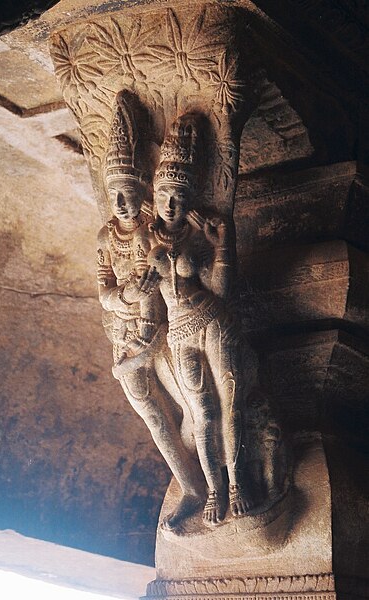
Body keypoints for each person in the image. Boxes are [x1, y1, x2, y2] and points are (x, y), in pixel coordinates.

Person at [97, 92, 205, 530]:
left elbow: (152, 301)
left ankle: (198, 479)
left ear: (143, 188)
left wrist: (137, 346)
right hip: (120, 337)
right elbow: (104, 290)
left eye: (127, 193)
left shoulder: (148, 237)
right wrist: (121, 299)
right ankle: (192, 481)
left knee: (181, 406)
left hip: (151, 337)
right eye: (113, 195)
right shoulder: (106, 236)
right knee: (154, 414)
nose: (121, 204)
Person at [147, 114, 258, 526]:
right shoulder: (144, 239)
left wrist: (221, 244)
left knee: (230, 402)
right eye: (163, 196)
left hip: (213, 319)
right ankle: (214, 488)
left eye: (178, 195)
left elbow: (221, 287)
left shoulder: (197, 231)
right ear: (154, 197)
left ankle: (238, 483)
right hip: (179, 334)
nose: (171, 205)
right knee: (203, 413)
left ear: (189, 196)